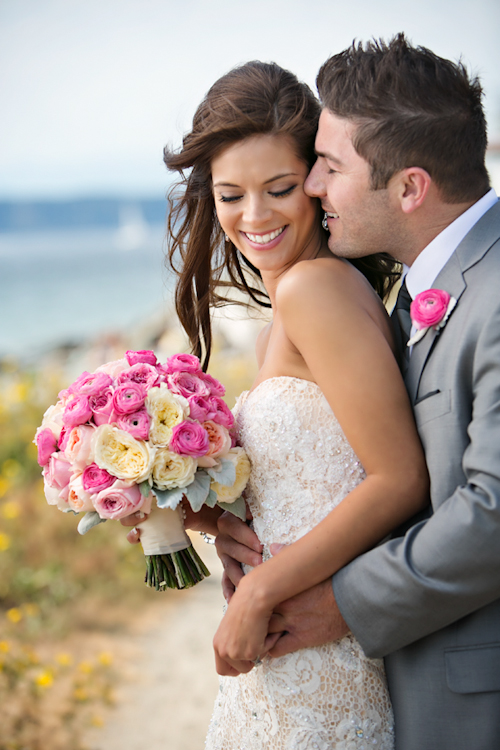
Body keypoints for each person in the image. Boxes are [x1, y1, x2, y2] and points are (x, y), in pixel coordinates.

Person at [217, 35, 500, 750]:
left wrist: (331, 601)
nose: (312, 187)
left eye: (327, 169)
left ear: (409, 187)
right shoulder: (416, 290)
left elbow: (490, 510)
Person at [151, 59, 428, 749]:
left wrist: (261, 591)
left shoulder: (315, 291)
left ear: (314, 181)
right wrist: (200, 513)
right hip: (284, 662)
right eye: (229, 195)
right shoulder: (289, 309)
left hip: (319, 666)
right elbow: (318, 482)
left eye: (278, 188)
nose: (254, 217)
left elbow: (399, 479)